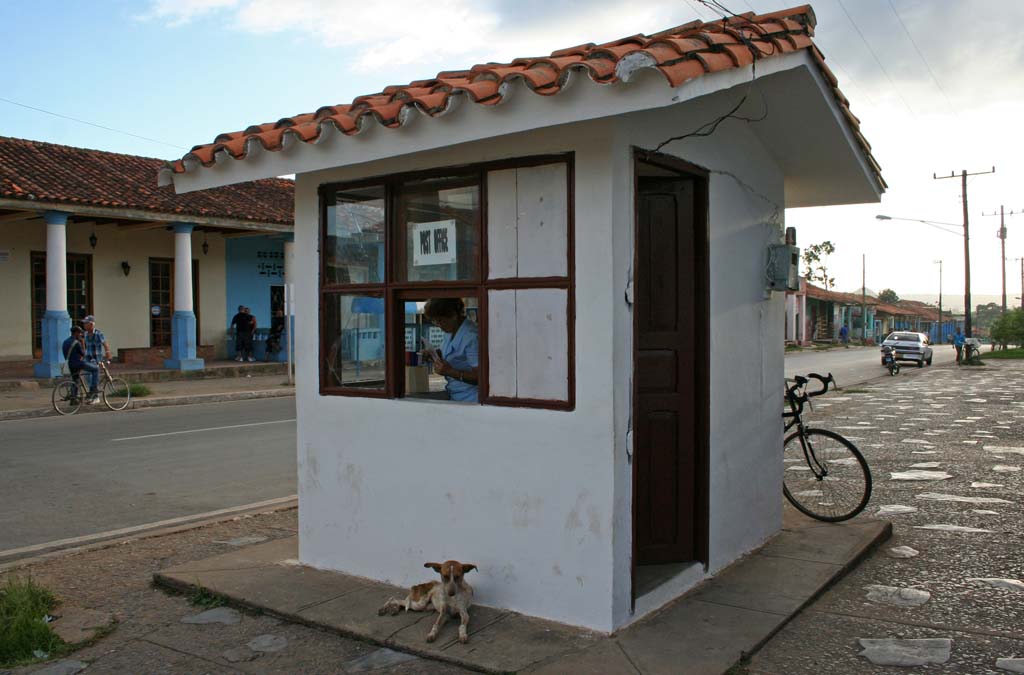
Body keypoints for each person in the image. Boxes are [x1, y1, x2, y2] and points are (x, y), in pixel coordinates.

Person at [423, 298, 478, 402]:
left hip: (471, 397)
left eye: (441, 321)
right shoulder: (450, 330)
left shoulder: (471, 336)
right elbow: (451, 352)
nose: (439, 326)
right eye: (435, 322)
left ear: (453, 315)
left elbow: (480, 377)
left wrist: (450, 371)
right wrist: (434, 354)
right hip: (455, 395)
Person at [81, 315, 111, 403]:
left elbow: (105, 343)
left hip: (95, 359)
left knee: (93, 376)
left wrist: (108, 353)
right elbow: (84, 344)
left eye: (86, 324)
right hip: (87, 358)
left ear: (91, 324)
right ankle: (92, 394)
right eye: (84, 324)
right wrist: (83, 353)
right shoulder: (85, 334)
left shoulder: (98, 333)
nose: (84, 325)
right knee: (87, 376)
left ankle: (95, 396)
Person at [61, 325, 90, 401]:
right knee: (95, 369)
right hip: (77, 364)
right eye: (80, 333)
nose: (81, 335)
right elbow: (83, 354)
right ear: (76, 333)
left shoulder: (65, 342)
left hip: (69, 364)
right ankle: (93, 391)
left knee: (75, 380)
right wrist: (83, 342)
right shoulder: (76, 342)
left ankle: (74, 399)